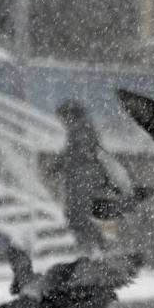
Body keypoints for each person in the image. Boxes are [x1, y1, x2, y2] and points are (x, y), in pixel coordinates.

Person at [53, 100, 108, 252]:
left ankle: (96, 248)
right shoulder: (80, 128)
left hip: (83, 179)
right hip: (80, 179)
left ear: (70, 115)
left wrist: (56, 167)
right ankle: (91, 247)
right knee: (75, 216)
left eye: (63, 116)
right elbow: (71, 153)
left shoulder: (81, 129)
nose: (62, 121)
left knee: (77, 216)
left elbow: (74, 154)